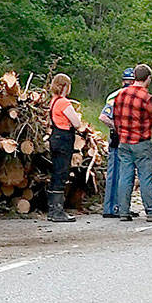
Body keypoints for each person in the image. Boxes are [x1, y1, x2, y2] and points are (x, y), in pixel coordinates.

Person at [112, 64, 152, 223]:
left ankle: (123, 211)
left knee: (125, 177)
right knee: (145, 178)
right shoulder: (147, 98)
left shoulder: (121, 94)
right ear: (148, 78)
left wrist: (121, 133)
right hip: (141, 142)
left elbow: (115, 118)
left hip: (124, 142)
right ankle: (151, 212)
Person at [48, 73, 92, 223]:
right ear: (65, 86)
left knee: (56, 172)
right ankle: (57, 211)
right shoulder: (63, 103)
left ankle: (52, 208)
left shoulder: (53, 101)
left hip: (55, 137)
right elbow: (76, 123)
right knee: (61, 173)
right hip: (64, 139)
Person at [99, 68, 135, 217]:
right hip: (121, 138)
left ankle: (121, 206)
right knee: (117, 174)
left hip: (122, 137)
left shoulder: (116, 95)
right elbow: (104, 117)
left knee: (124, 174)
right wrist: (119, 127)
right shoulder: (119, 95)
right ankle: (112, 208)